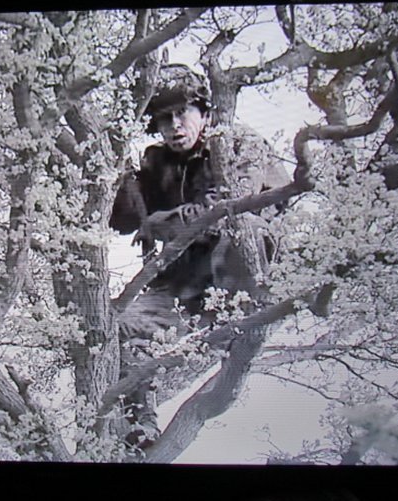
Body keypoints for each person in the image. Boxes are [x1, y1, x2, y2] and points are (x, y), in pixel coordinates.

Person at [110, 64, 289, 450]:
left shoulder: (237, 144)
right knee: (121, 326)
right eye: (164, 118)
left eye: (182, 113)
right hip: (185, 279)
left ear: (204, 112)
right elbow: (122, 219)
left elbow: (226, 209)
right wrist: (119, 179)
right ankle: (141, 426)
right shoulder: (158, 161)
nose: (174, 125)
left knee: (244, 228)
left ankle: (239, 322)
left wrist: (161, 222)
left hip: (241, 266)